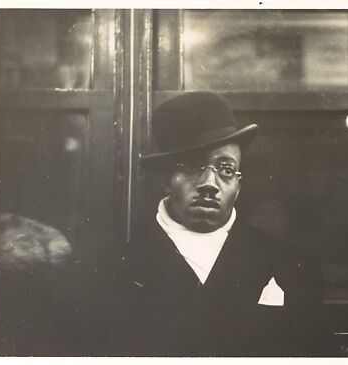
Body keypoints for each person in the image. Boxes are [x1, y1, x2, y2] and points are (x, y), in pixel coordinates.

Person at [118, 92, 328, 356]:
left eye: (226, 169)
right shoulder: (113, 267)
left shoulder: (293, 265)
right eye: (194, 166)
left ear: (238, 186)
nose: (209, 183)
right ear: (166, 179)